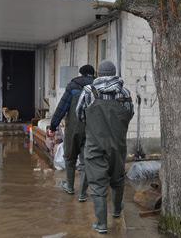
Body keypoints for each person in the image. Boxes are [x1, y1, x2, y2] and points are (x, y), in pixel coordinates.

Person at [76, 60, 134, 234]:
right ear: (114, 73)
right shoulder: (124, 92)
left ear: (98, 74)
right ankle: (116, 211)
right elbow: (129, 114)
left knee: (97, 182)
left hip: (95, 144)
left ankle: (101, 224)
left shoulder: (88, 91)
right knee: (117, 178)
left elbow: (80, 114)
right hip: (118, 143)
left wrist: (94, 125)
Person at [48, 64, 95, 202]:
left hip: (73, 129)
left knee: (70, 157)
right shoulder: (97, 88)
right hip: (91, 130)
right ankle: (83, 193)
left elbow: (62, 107)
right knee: (86, 161)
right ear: (93, 74)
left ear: (81, 73)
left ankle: (69, 186)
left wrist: (53, 125)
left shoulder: (73, 86)